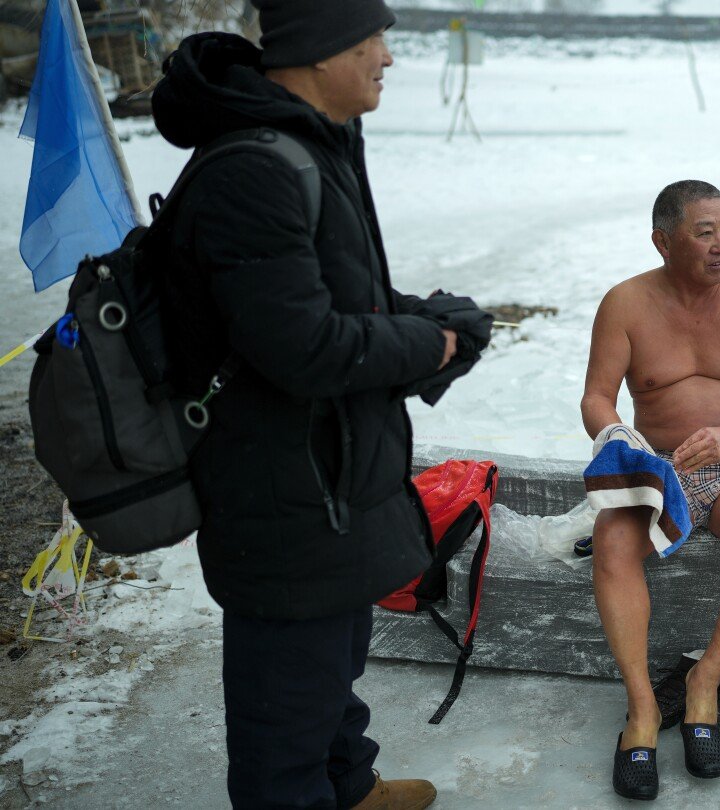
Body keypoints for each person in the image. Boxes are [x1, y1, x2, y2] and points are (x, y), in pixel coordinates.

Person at [150, 2, 490, 806]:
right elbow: (300, 348)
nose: (387, 58)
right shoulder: (254, 168)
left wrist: (433, 318)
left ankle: (351, 786)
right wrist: (430, 346)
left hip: (334, 477)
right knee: (285, 710)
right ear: (321, 47)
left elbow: (346, 300)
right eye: (375, 38)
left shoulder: (312, 144)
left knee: (335, 661)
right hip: (281, 488)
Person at [581, 180, 720, 800]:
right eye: (704, 233)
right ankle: (643, 710)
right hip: (659, 467)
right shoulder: (625, 303)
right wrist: (619, 441)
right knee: (612, 542)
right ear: (662, 241)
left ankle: (707, 680)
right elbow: (598, 396)